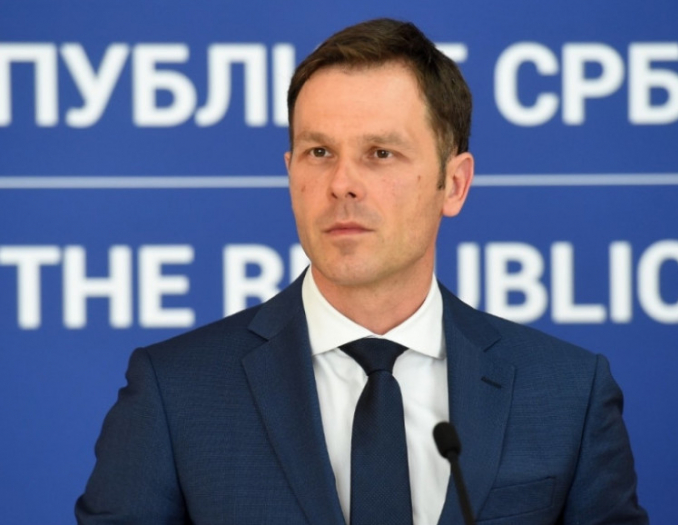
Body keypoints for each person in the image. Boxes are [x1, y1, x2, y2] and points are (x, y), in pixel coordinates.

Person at [75, 18, 648, 525]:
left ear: (454, 184)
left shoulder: (567, 395)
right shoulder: (175, 394)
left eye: (380, 153)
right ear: (291, 174)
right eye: (319, 152)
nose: (342, 183)